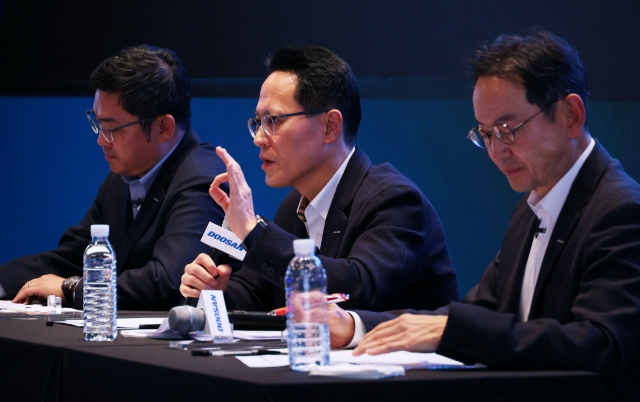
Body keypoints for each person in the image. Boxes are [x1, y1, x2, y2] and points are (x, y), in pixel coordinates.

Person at [328, 29, 640, 399]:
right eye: (485, 134)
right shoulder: (531, 209)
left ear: (570, 115)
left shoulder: (620, 210)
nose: (496, 152)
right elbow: (477, 312)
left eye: (507, 130)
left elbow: (600, 342)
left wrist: (453, 331)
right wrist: (355, 325)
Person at [180, 46, 459, 312]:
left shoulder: (394, 200)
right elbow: (263, 294)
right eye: (258, 122)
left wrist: (253, 230)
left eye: (273, 121)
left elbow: (354, 289)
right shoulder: (293, 207)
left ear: (330, 126)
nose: (259, 139)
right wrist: (219, 290)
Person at [0, 45, 227, 310]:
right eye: (97, 124)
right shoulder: (123, 176)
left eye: (111, 128)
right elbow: (72, 258)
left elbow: (168, 281)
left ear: (163, 127)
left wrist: (72, 288)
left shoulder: (203, 182)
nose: (100, 140)